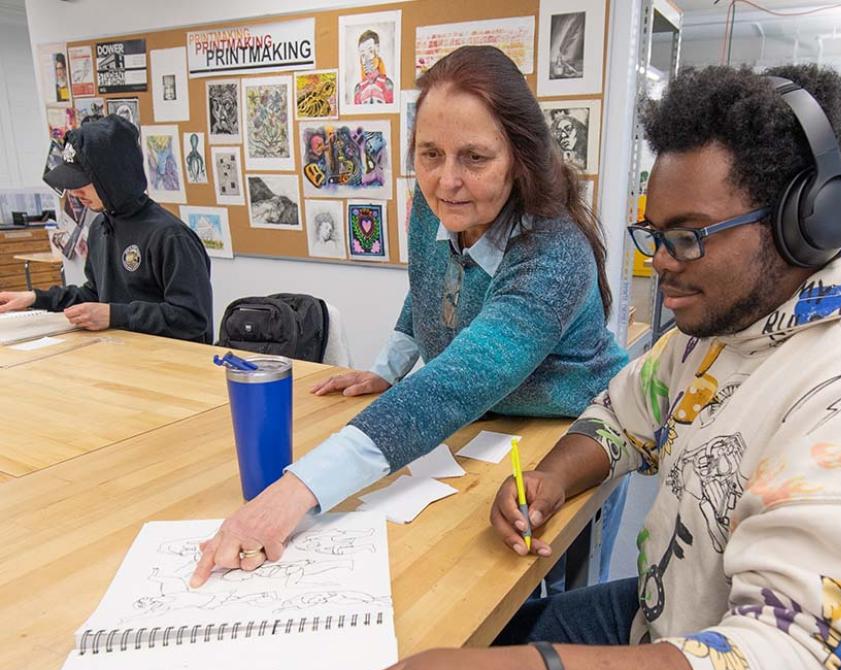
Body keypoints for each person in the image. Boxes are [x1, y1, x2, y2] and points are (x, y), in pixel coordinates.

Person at [326, 64, 841, 670]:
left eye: (688, 238)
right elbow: (622, 415)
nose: (659, 265)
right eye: (654, 233)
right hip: (689, 623)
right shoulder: (722, 324)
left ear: (805, 221)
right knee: (497, 643)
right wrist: (555, 478)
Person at [189, 46, 628, 587]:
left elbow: (458, 380)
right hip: (483, 427)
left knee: (537, 598)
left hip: (563, 440)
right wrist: (389, 366)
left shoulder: (554, 252)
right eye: (430, 154)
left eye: (475, 157)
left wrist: (293, 492)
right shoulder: (434, 205)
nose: (446, 181)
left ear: (520, 156)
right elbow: (427, 282)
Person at [0, 115, 213, 343]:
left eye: (81, 182)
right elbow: (95, 294)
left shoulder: (170, 236)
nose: (74, 193)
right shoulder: (100, 226)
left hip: (170, 363)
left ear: (113, 177)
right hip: (120, 355)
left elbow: (191, 318)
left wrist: (114, 315)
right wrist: (35, 298)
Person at [353, 29, 394, 106]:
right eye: (363, 55)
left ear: (377, 50)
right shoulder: (358, 88)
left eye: (371, 51)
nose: (367, 58)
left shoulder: (387, 84)